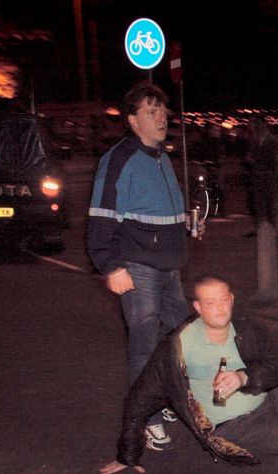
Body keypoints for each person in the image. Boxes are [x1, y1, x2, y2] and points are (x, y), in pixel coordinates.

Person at [98, 276, 278, 474]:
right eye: (210, 303)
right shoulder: (178, 348)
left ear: (232, 299)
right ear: (197, 307)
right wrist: (127, 455)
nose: (220, 309)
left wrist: (244, 377)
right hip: (234, 427)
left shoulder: (246, 328)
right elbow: (139, 398)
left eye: (224, 300)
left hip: (267, 396)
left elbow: (277, 368)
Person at [87, 82, 188, 452]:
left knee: (180, 336)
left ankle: (167, 397)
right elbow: (101, 215)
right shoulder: (119, 159)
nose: (161, 117)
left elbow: (160, 212)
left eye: (162, 111)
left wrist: (186, 226)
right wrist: (110, 266)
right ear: (132, 121)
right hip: (139, 266)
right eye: (151, 112)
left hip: (169, 266)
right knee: (145, 345)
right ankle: (148, 417)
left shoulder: (162, 157)